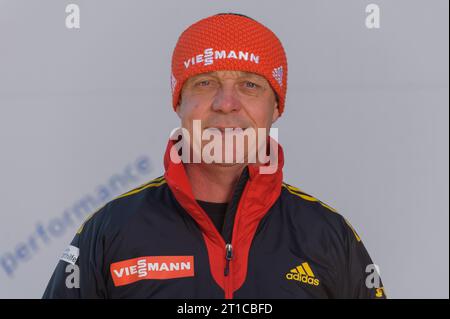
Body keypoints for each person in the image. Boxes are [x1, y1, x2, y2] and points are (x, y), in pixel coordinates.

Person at [43, 13, 385, 299]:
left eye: (250, 85)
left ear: (276, 106)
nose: (225, 103)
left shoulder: (328, 235)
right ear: (178, 102)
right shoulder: (110, 231)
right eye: (205, 83)